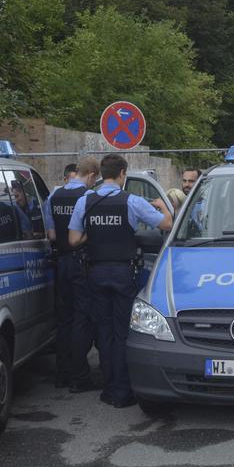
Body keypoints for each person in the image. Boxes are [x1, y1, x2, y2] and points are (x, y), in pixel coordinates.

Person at [68, 154, 173, 407]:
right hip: (123, 273)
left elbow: (73, 240)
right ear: (123, 173)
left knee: (103, 332)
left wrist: (92, 238)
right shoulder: (132, 201)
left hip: (95, 273)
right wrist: (160, 206)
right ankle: (122, 391)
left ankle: (108, 388)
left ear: (102, 174)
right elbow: (168, 224)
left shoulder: (85, 201)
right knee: (122, 331)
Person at [44, 157, 101, 391]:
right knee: (82, 319)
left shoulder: (53, 197)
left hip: (62, 263)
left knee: (64, 319)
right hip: (81, 263)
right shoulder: (87, 198)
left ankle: (62, 374)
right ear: (91, 176)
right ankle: (79, 377)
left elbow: (52, 236)